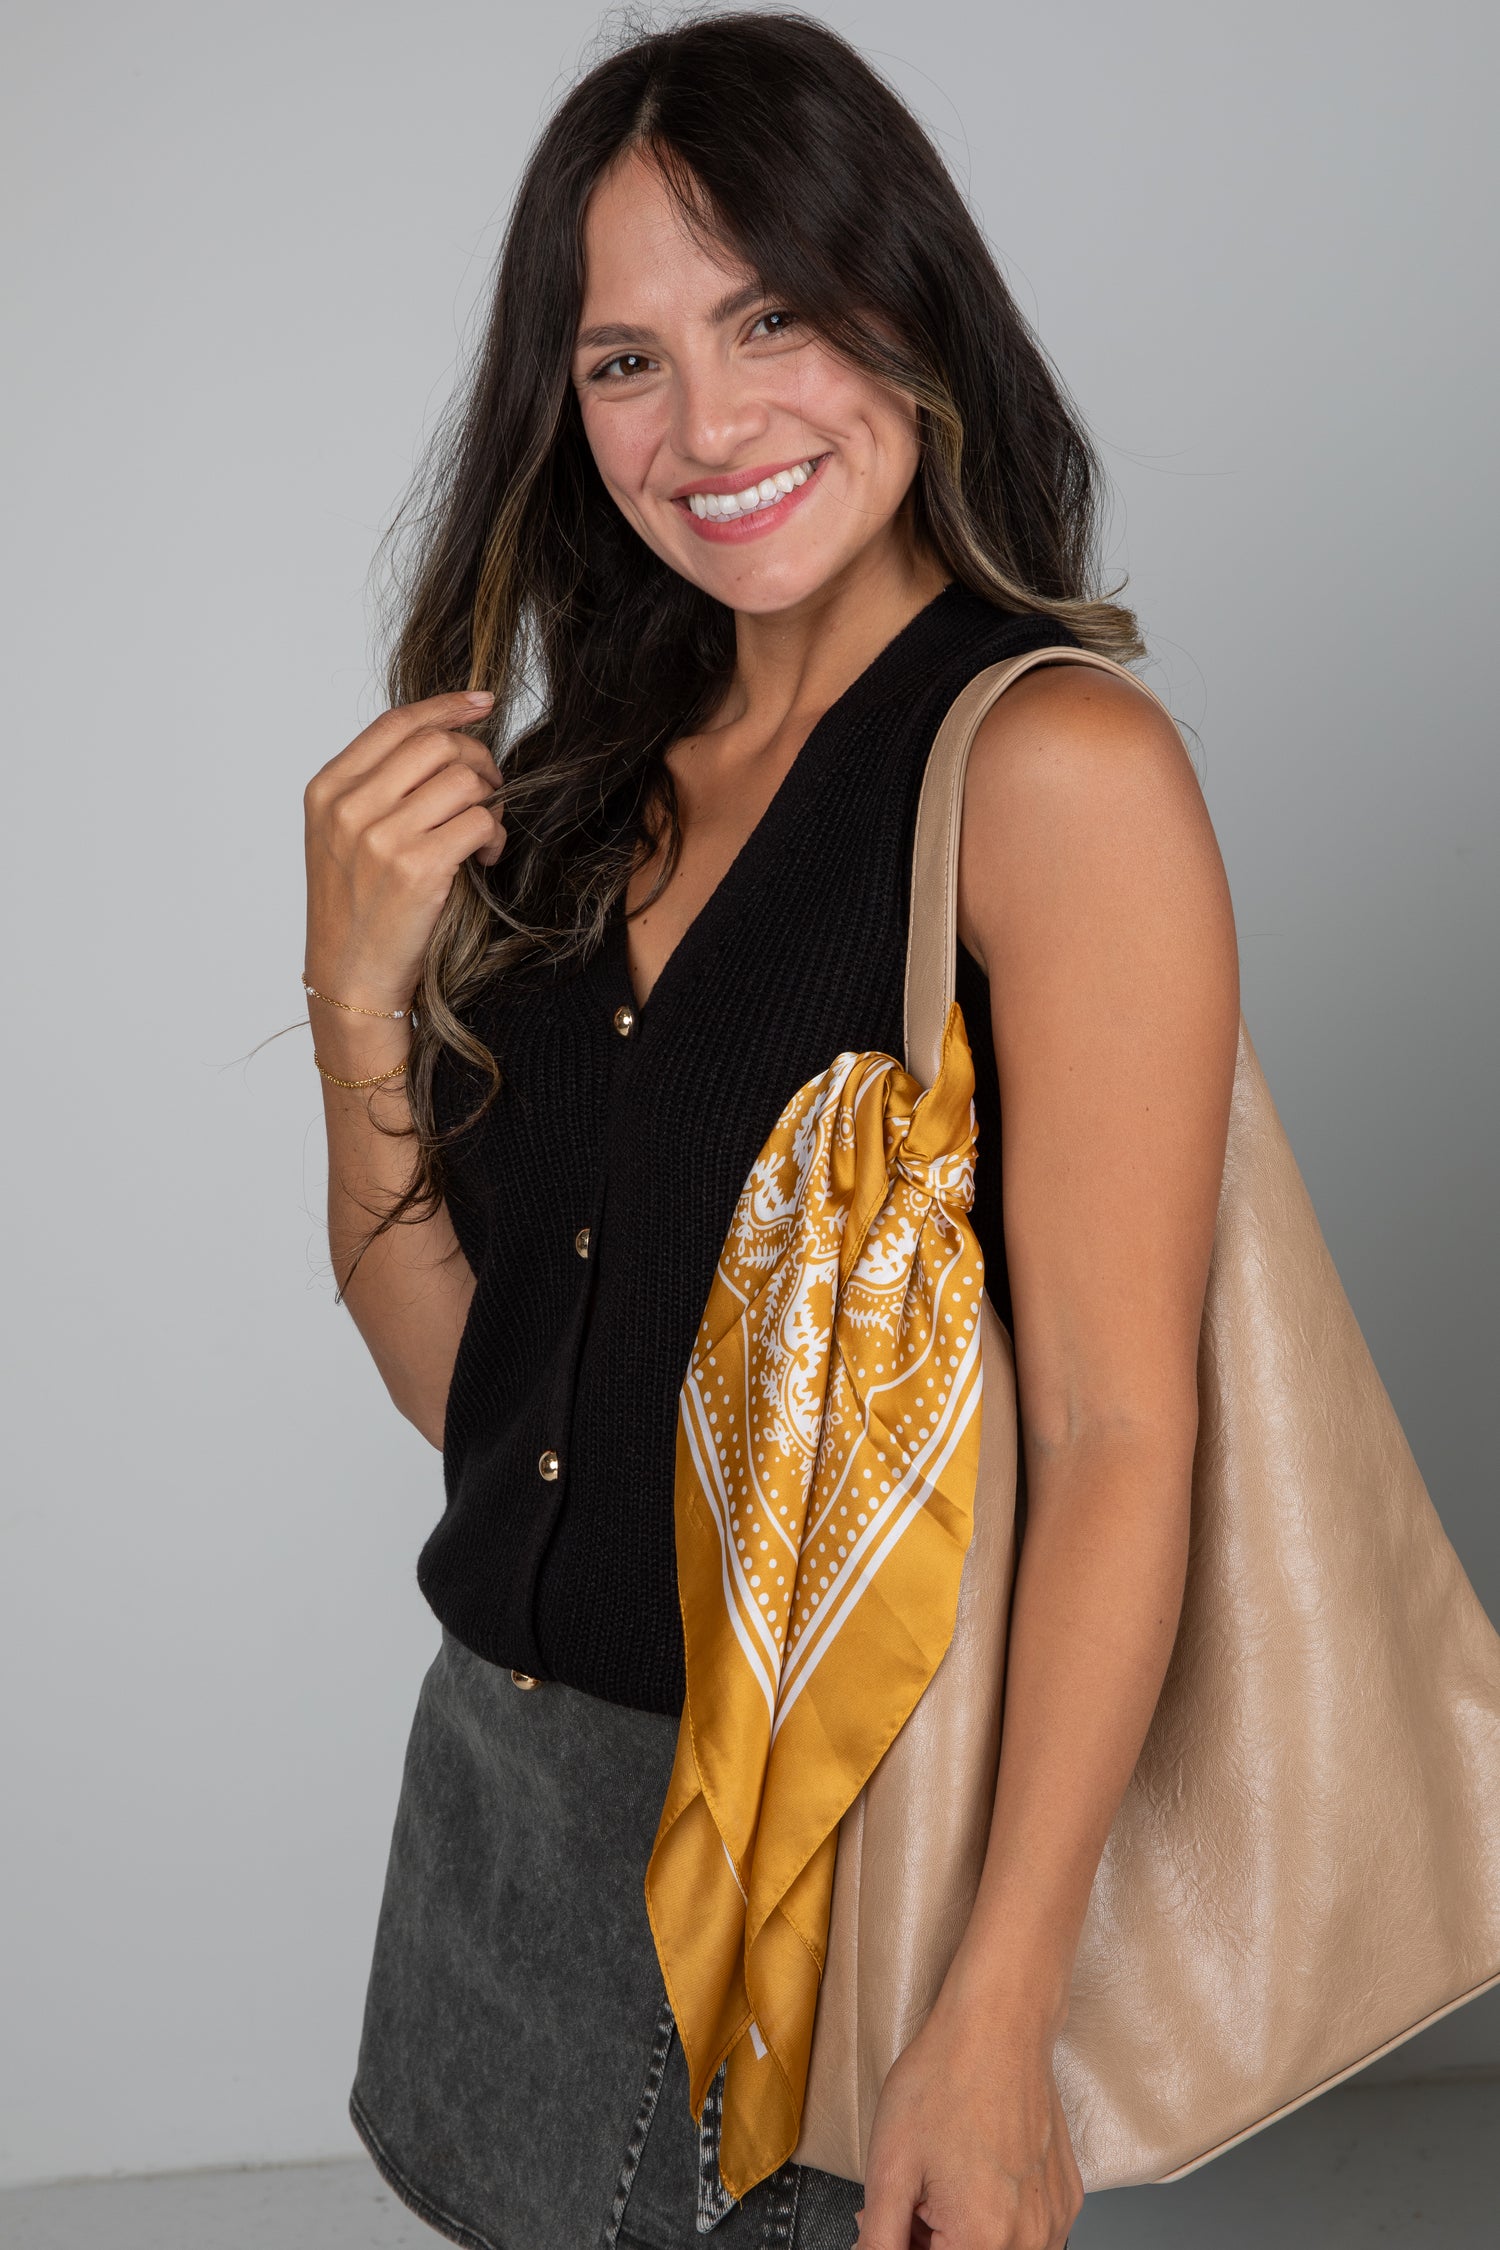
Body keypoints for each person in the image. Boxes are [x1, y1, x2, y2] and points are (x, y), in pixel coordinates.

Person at [300, 14, 1238, 2249]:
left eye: (772, 317)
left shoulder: (1047, 771)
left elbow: (1122, 1430)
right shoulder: (572, 792)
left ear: (908, 301)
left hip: (833, 1871)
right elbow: (477, 1394)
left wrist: (999, 2011)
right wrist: (354, 1010)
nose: (705, 426)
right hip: (507, 1822)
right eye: (622, 361)